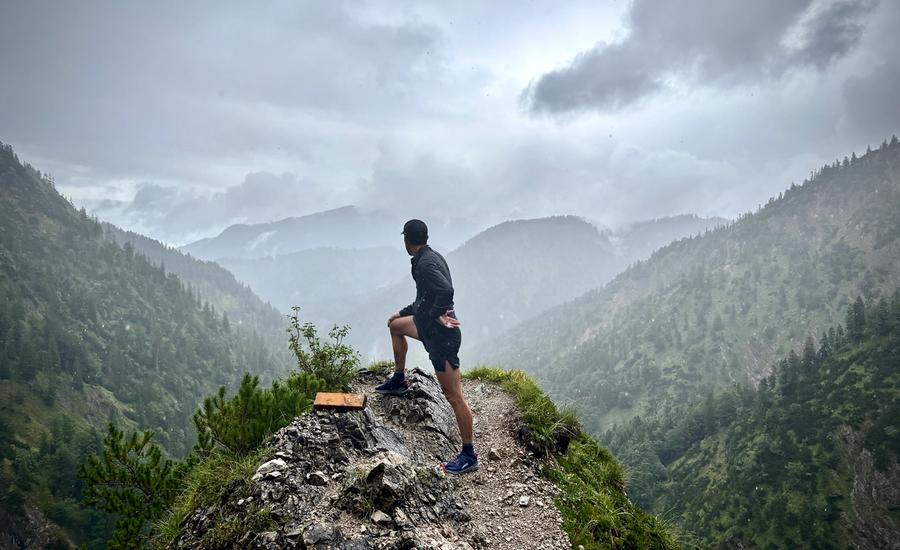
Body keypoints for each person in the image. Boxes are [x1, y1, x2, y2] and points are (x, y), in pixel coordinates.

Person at [374, 219, 478, 474]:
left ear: (407, 241)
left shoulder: (426, 262)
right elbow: (424, 299)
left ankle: (469, 454)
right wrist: (402, 312)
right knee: (396, 326)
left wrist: (434, 314)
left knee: (454, 396)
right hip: (429, 327)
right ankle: (399, 379)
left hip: (442, 337)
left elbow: (445, 291)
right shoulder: (428, 258)